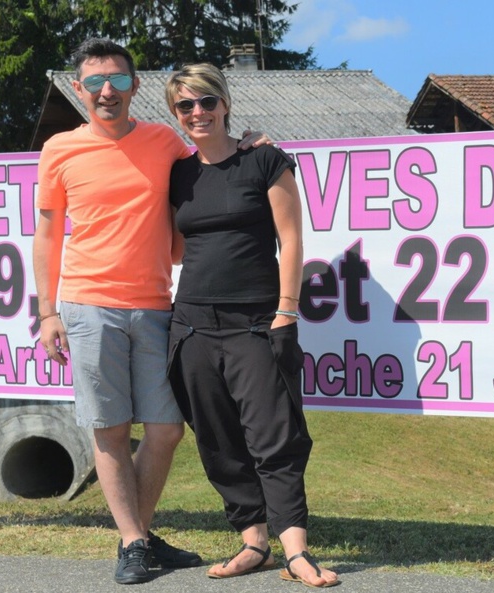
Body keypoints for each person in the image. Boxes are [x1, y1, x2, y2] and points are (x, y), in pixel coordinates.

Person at [32, 38, 266, 586]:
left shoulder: (165, 141)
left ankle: (134, 536)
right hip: (89, 306)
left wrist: (248, 144)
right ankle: (136, 542)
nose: (106, 91)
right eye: (94, 82)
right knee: (111, 429)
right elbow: (46, 235)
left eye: (117, 80)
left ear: (135, 86)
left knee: (166, 430)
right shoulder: (59, 149)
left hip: (158, 306)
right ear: (78, 88)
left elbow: (212, 162)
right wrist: (47, 312)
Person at [164, 63, 340, 588]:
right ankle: (254, 543)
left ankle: (296, 552)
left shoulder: (265, 159)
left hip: (256, 322)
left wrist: (287, 310)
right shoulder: (178, 173)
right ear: (175, 113)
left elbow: (292, 239)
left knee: (275, 436)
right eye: (185, 105)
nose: (198, 112)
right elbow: (177, 249)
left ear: (225, 103)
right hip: (192, 326)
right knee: (217, 439)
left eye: (207, 101)